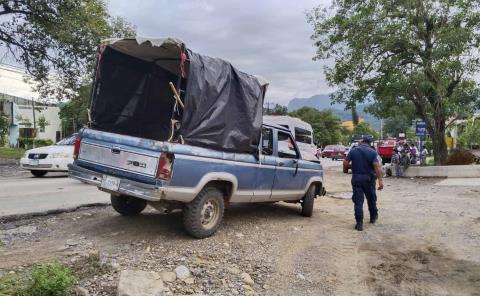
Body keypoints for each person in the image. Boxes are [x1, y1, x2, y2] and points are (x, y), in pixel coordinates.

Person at [343, 136, 384, 231]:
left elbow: (345, 164)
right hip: (369, 179)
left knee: (358, 201)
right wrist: (380, 181)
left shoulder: (353, 151)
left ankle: (359, 223)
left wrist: (353, 166)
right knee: (371, 199)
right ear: (369, 143)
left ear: (362, 142)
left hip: (356, 178)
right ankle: (373, 217)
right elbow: (377, 167)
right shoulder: (373, 152)